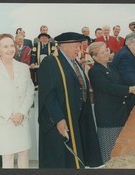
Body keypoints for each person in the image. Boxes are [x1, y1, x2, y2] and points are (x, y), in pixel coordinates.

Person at [37, 32, 103, 168]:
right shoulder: (51, 63)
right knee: (62, 160)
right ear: (64, 46)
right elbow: (49, 95)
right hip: (62, 119)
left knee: (76, 158)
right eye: (76, 47)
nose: (79, 50)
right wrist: (59, 119)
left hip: (77, 117)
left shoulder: (74, 63)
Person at [88, 42, 135, 164]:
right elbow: (109, 87)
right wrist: (130, 89)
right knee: (109, 152)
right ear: (94, 57)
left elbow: (122, 82)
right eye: (102, 52)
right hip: (108, 118)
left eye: (106, 50)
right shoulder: (94, 71)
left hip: (120, 114)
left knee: (121, 151)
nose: (106, 54)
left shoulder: (112, 67)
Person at [0, 33, 35, 168]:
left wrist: (21, 113)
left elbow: (30, 92)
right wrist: (10, 115)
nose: (10, 49)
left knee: (24, 152)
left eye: (12, 45)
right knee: (7, 156)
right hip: (2, 121)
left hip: (21, 119)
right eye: (5, 46)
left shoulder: (23, 68)